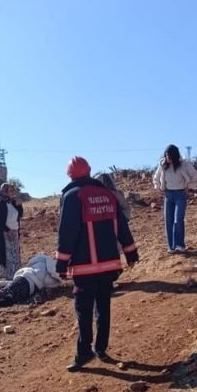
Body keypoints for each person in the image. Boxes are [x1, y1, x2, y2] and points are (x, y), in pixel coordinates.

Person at [55, 156, 139, 371]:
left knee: (83, 309)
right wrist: (130, 251)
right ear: (90, 171)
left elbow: (67, 232)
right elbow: (121, 224)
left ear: (70, 174)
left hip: (85, 266)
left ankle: (84, 352)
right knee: (103, 305)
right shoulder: (106, 195)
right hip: (110, 264)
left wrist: (61, 263)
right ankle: (101, 348)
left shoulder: (73, 196)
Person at [153, 144, 197, 253]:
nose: (167, 158)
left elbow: (196, 177)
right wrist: (158, 187)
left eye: (169, 156)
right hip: (168, 195)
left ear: (175, 156)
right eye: (166, 156)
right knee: (168, 221)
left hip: (180, 194)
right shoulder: (162, 165)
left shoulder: (184, 164)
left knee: (178, 219)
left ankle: (180, 245)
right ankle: (171, 247)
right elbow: (156, 178)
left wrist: (189, 186)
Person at [0, 182, 24, 280]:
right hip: (5, 232)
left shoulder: (13, 202)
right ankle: (8, 275)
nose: (13, 192)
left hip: (14, 231)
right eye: (10, 190)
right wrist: (7, 231)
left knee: (15, 253)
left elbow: (20, 215)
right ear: (4, 192)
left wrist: (19, 205)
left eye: (13, 190)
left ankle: (16, 273)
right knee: (7, 255)